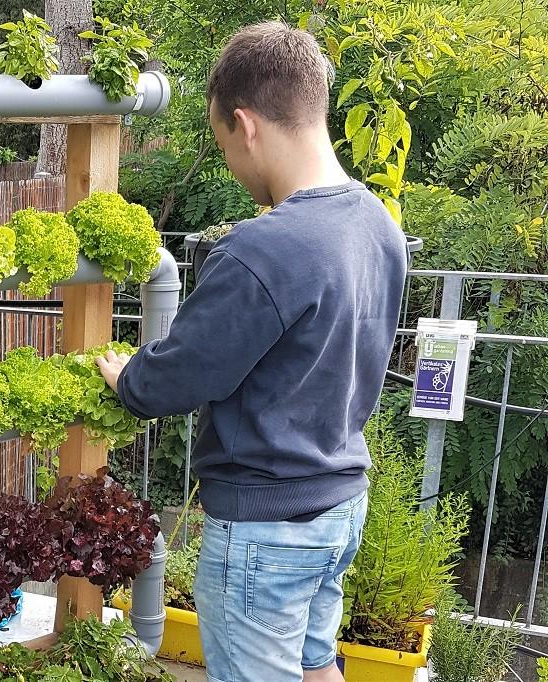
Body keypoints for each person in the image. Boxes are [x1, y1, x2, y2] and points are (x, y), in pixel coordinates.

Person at [95, 21, 408, 682]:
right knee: (317, 663)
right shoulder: (376, 223)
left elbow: (184, 372)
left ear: (246, 125)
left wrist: (130, 380)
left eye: (221, 144)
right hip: (340, 504)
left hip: (270, 526)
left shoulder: (264, 248)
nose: (233, 167)